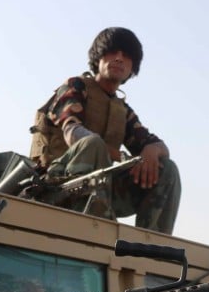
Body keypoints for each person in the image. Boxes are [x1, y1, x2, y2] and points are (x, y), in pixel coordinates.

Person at [29, 27, 181, 234]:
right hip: (58, 183)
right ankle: (101, 230)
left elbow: (155, 144)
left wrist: (152, 151)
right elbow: (72, 132)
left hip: (102, 188)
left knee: (167, 169)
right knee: (92, 144)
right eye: (113, 52)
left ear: (132, 68)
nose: (119, 58)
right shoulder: (76, 86)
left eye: (127, 56)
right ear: (98, 58)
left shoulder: (122, 110)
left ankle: (151, 245)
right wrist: (119, 156)